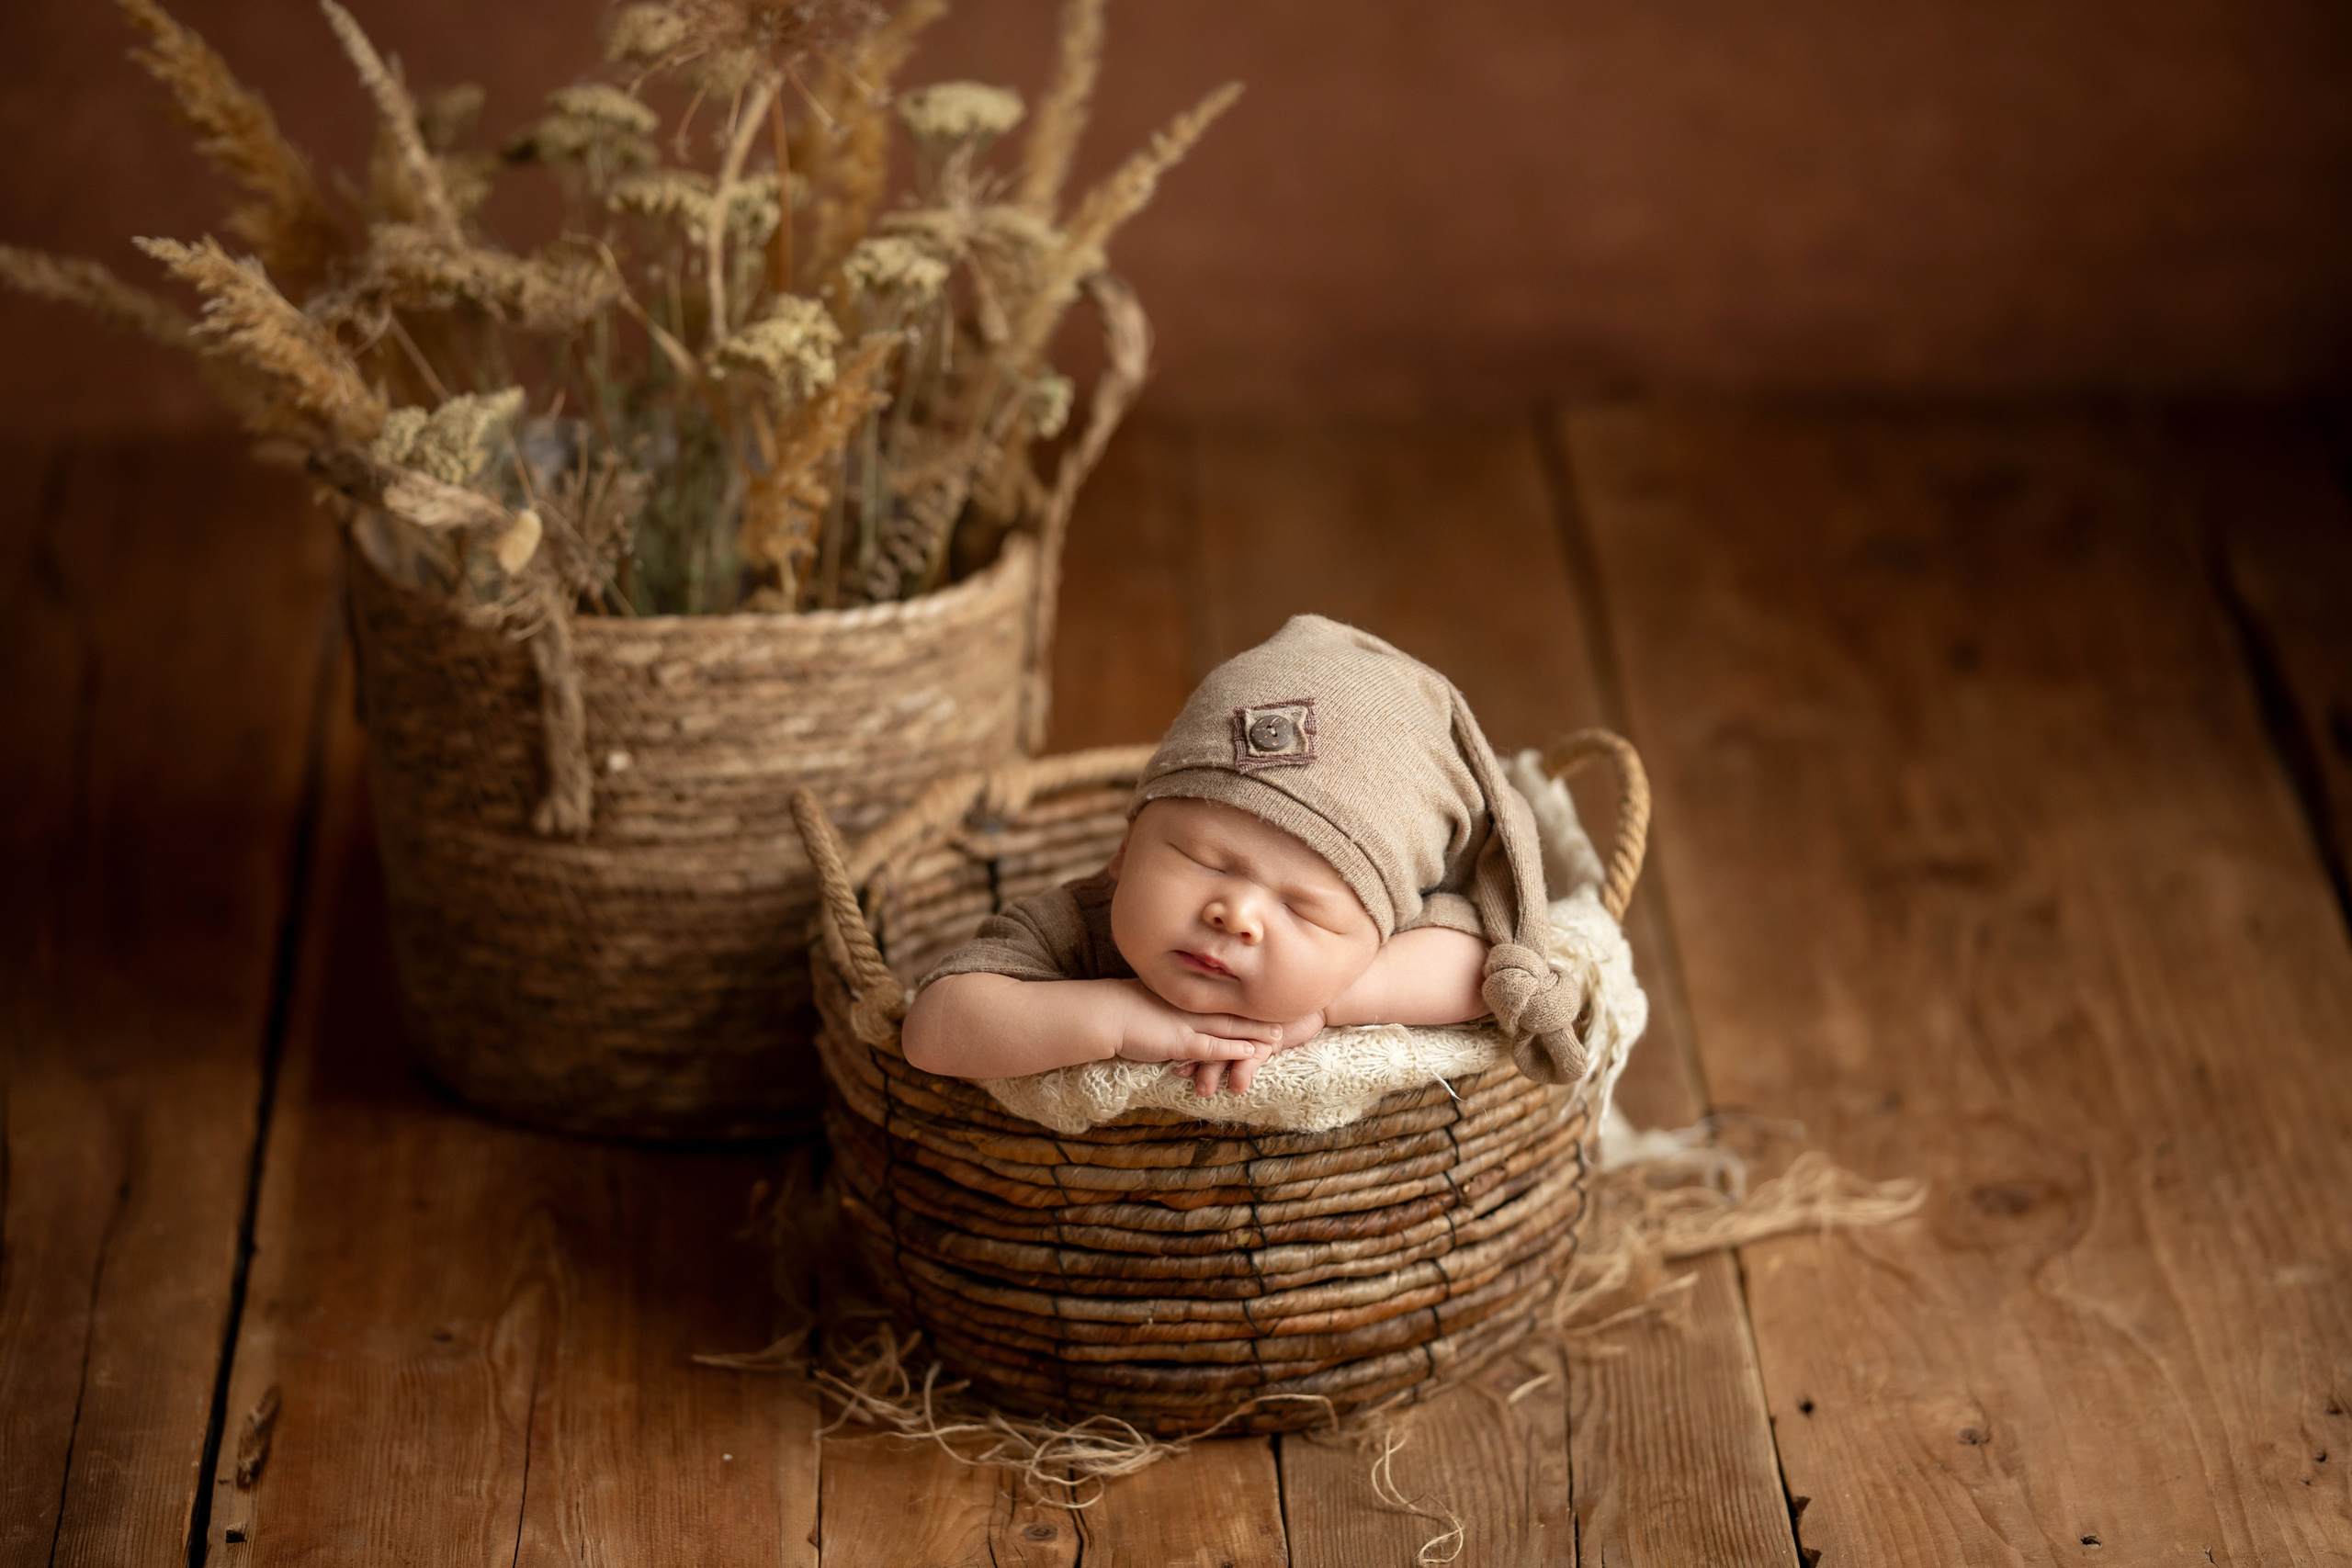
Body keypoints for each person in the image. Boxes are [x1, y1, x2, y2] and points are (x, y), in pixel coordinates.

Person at [900, 615, 1589, 1096]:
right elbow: (933, 1027)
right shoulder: (1077, 927)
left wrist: (1329, 1000)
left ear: (1378, 933)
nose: (1236, 915)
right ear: (1125, 850)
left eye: (1303, 909)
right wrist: (1120, 1017)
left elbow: (1486, 964)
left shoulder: (1371, 955)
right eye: (1206, 859)